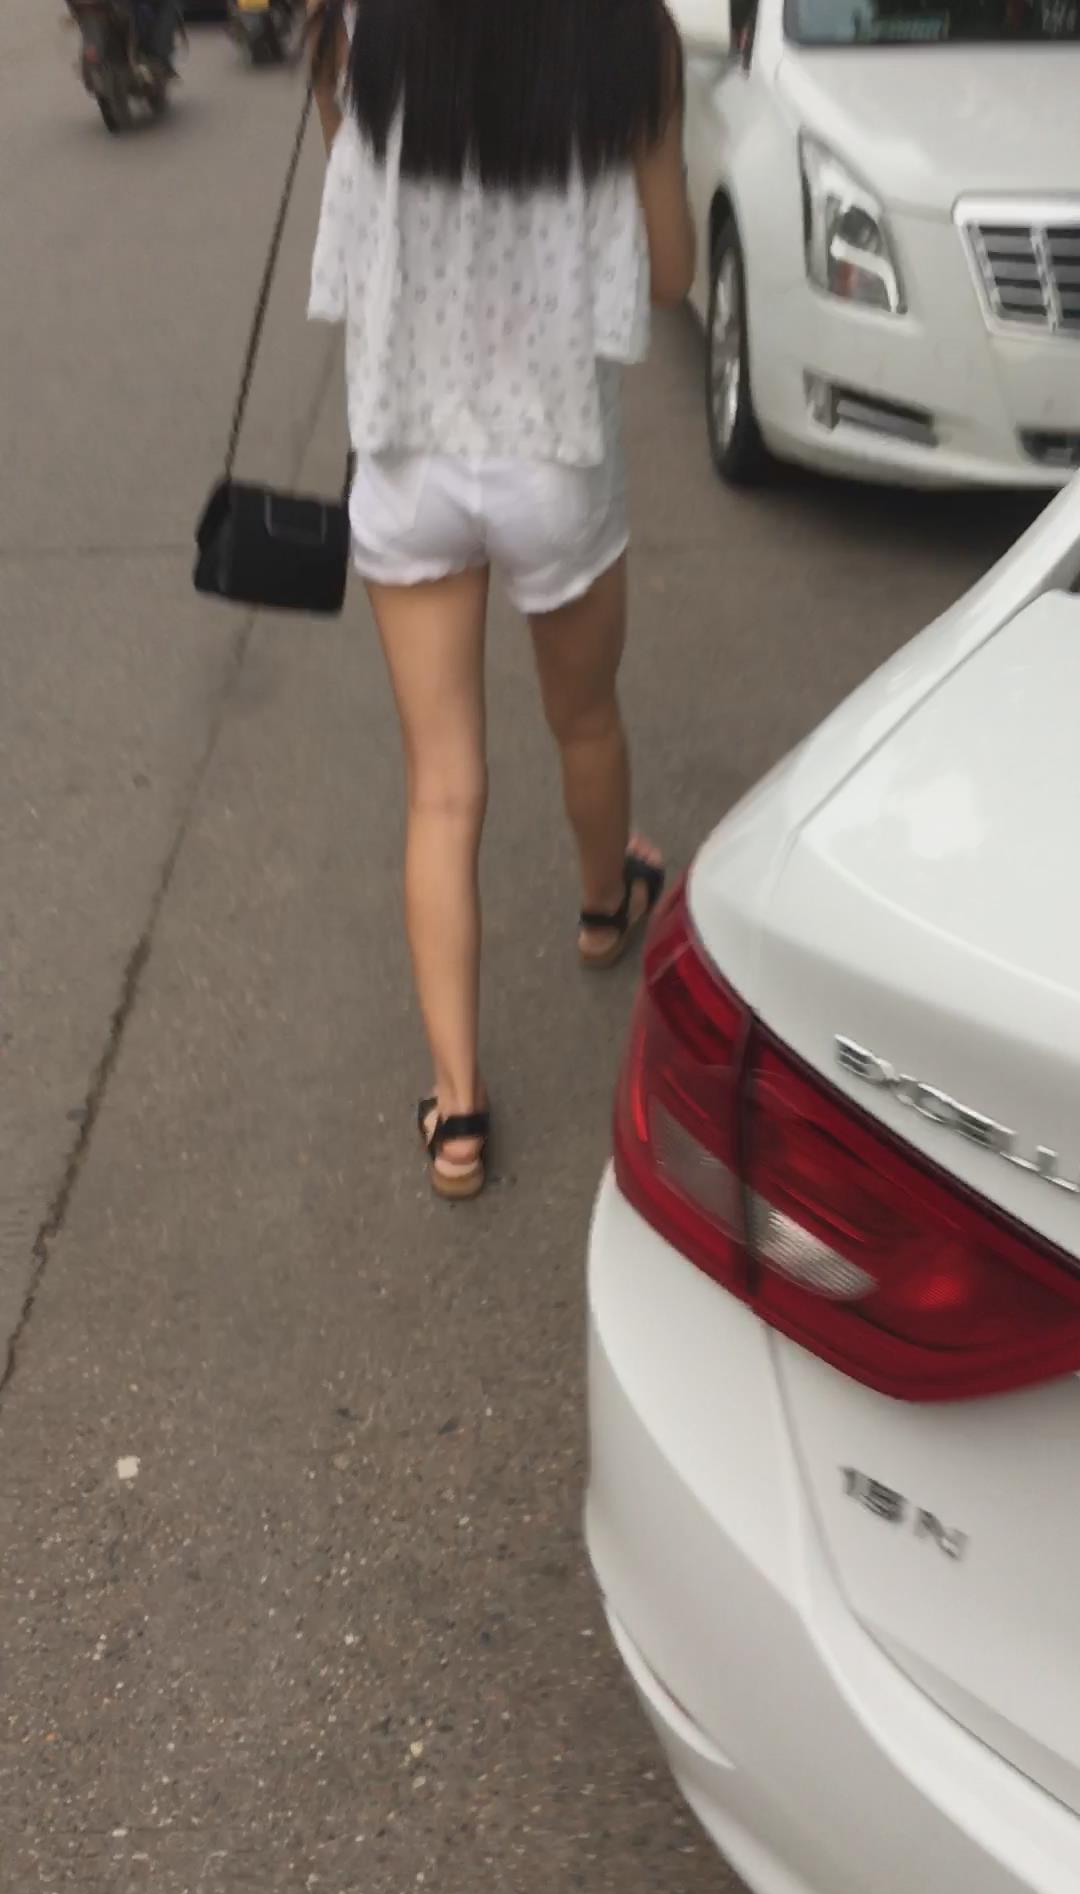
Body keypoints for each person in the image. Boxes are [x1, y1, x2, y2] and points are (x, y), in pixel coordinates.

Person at [307, 0, 695, 1201]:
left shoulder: (354, 27)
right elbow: (672, 276)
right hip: (555, 459)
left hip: (410, 455)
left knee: (442, 785)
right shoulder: (632, 36)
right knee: (584, 719)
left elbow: (369, 205)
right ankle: (603, 907)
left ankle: (459, 1110)